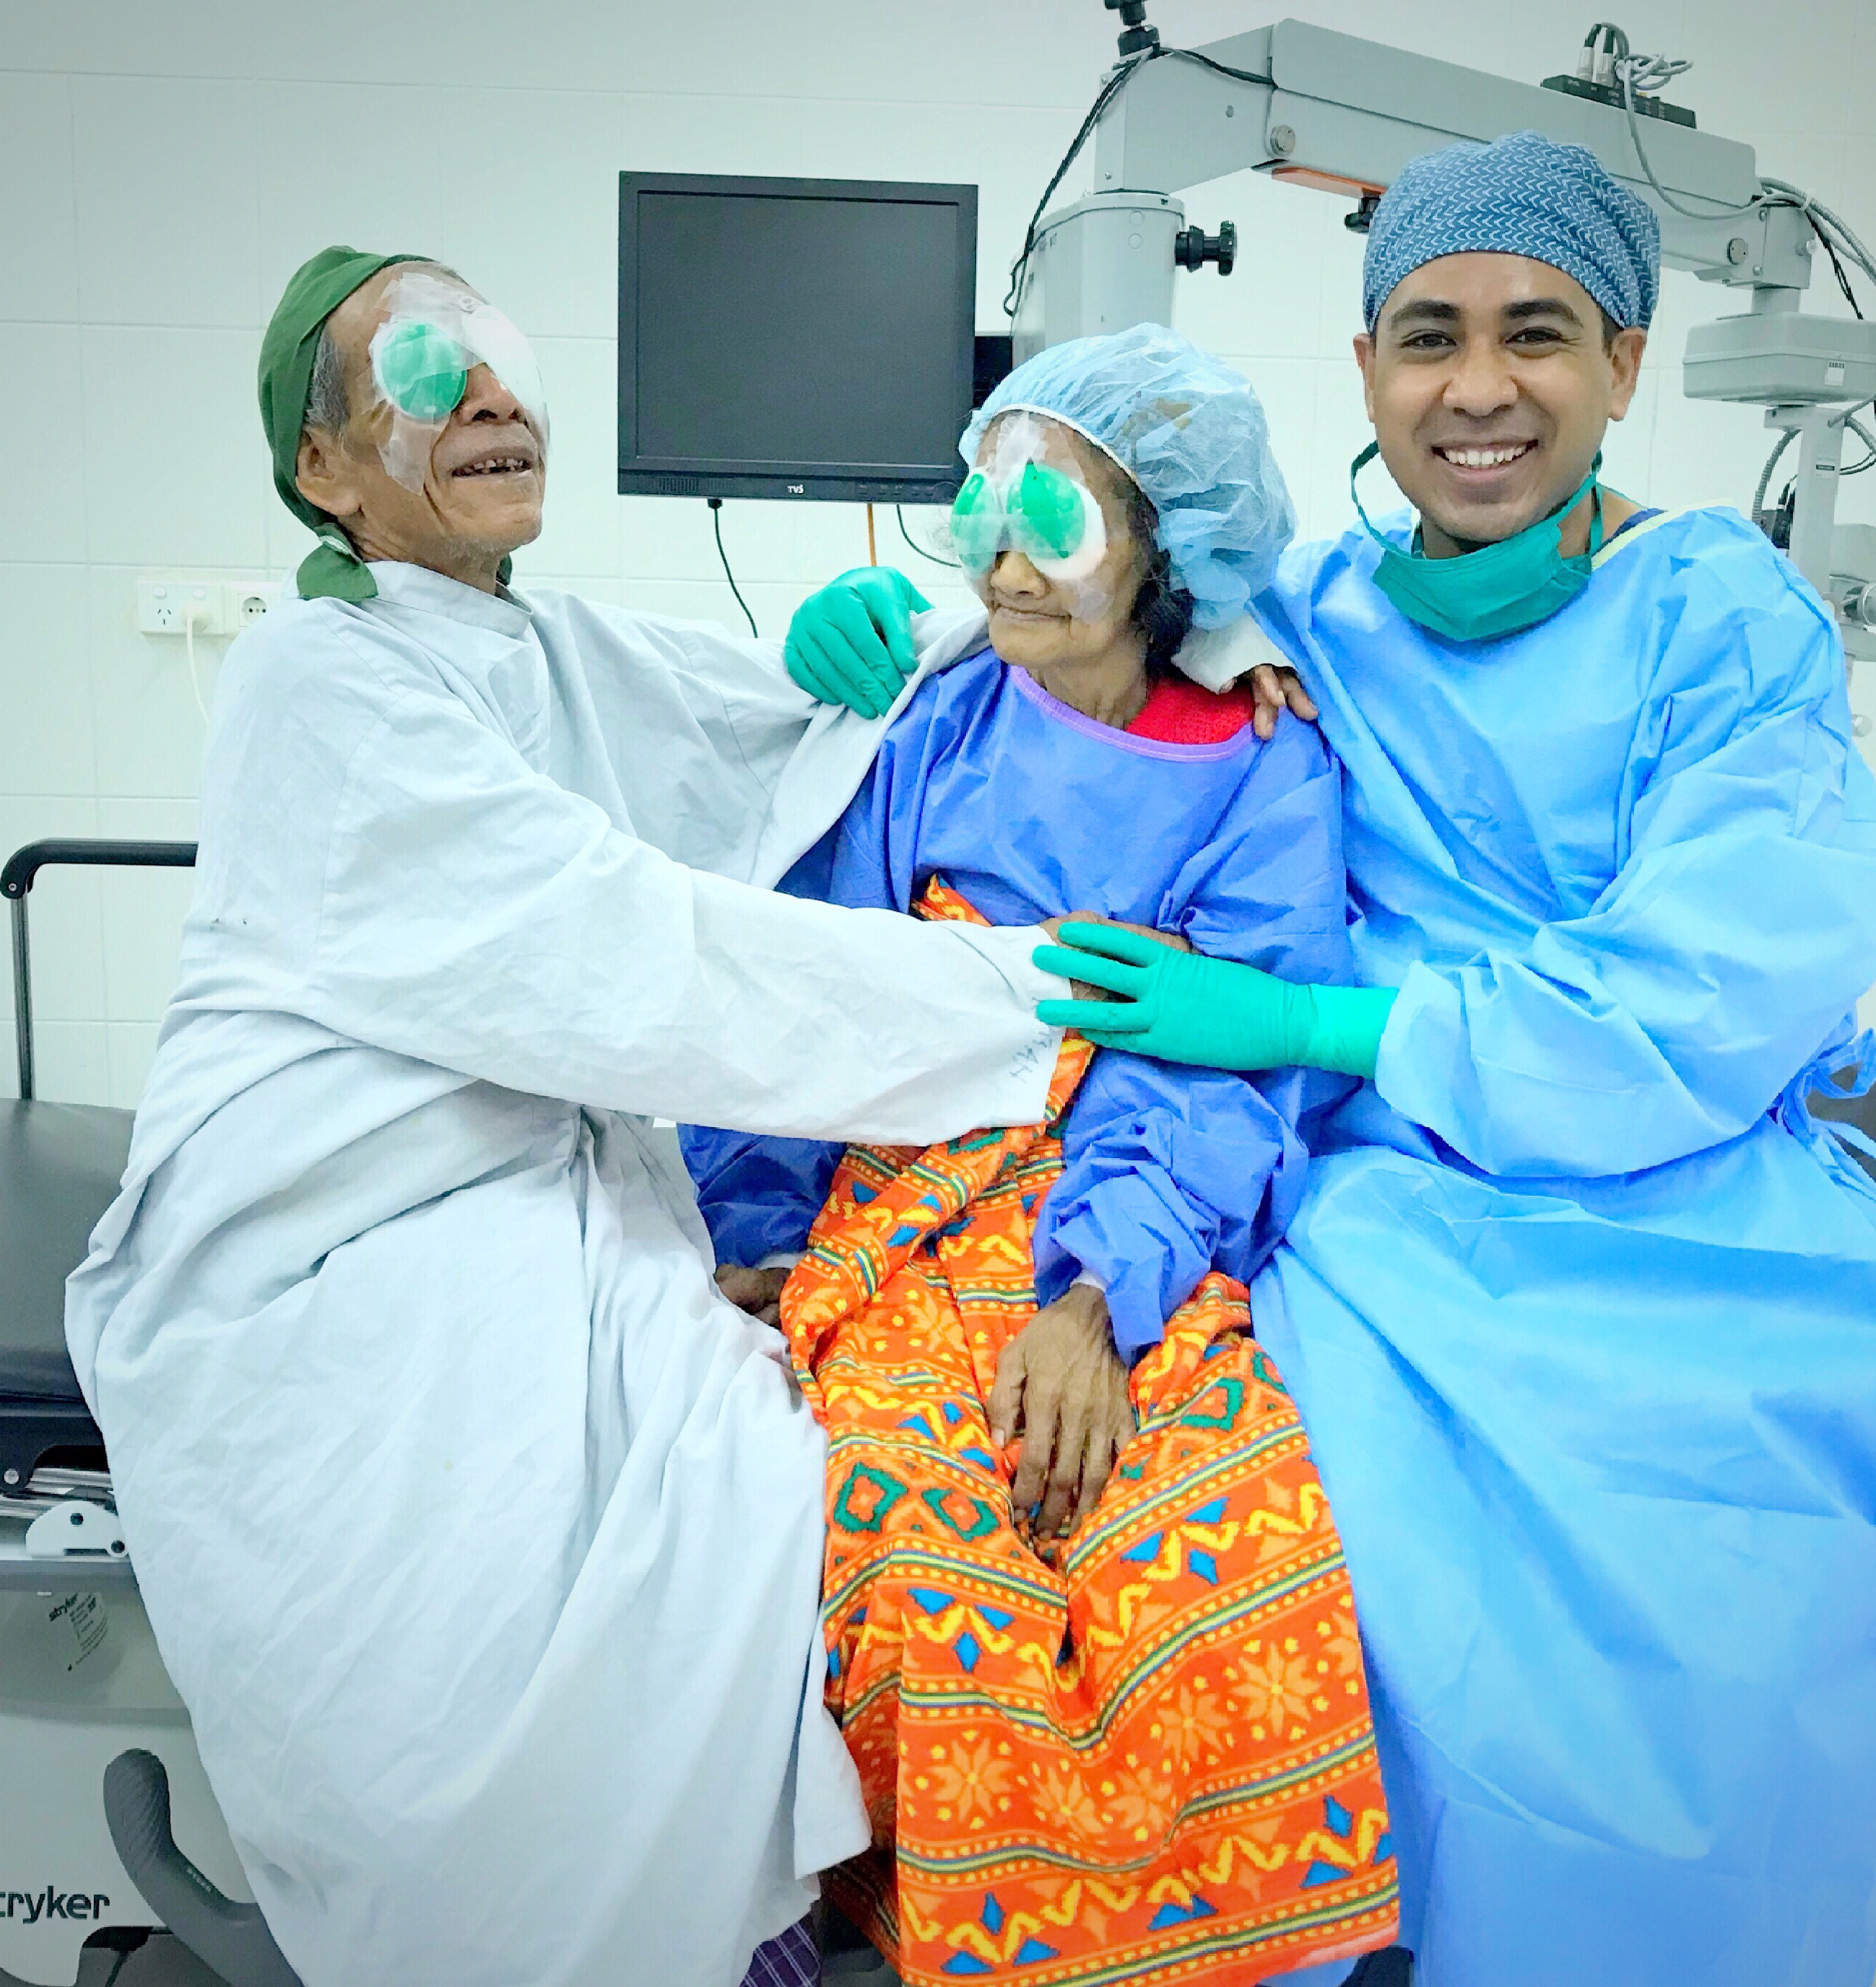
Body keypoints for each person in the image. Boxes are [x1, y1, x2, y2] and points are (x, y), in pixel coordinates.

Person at [790, 135, 1876, 1987]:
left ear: (1627, 361)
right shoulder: (1315, 615)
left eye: (1539, 335)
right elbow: (1094, 621)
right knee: (1302, 1521)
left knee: (1690, 1633)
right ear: (1361, 368)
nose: (1479, 386)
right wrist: (910, 630)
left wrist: (1317, 1022)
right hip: (1378, 1187)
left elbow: (1701, 985)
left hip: (1674, 1190)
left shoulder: (1724, 619)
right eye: (1427, 336)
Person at [64, 248, 1083, 1987]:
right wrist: (1044, 999)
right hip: (333, 1233)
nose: (493, 395)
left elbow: (755, 724)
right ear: (326, 469)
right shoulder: (319, 681)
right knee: (652, 1535)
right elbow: (636, 953)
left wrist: (930, 626)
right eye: (427, 367)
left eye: (507, 359)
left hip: (549, 1177)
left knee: (723, 1465)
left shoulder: (539, 643)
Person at [685, 326, 1397, 1987]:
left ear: (1173, 552)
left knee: (1222, 1554)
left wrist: (1093, 1302)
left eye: (1055, 525)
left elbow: (1212, 1076)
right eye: (983, 514)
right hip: (897, 1204)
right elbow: (810, 985)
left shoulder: (1263, 766)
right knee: (910, 1558)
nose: (1003, 560)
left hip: (1122, 1209)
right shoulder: (937, 711)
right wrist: (743, 1227)